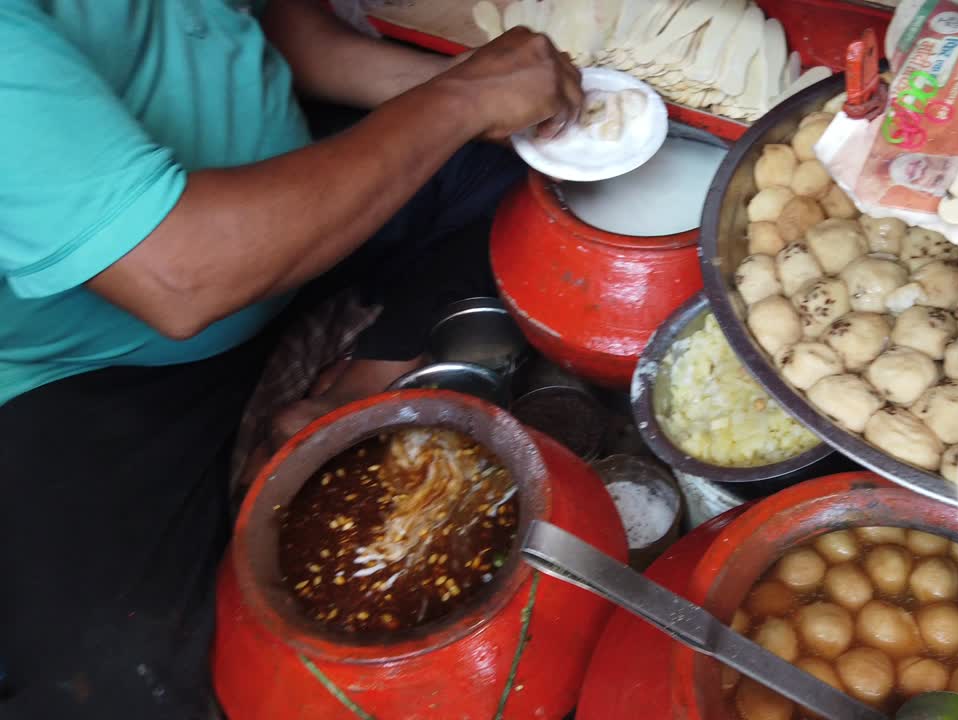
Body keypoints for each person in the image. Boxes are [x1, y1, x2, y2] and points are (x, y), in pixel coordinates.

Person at [0, 1, 582, 717]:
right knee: (121, 685)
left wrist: (466, 93)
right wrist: (459, 102)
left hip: (294, 202)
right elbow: (180, 274)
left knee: (536, 181)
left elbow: (268, 23)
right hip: (102, 363)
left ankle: (364, 376)